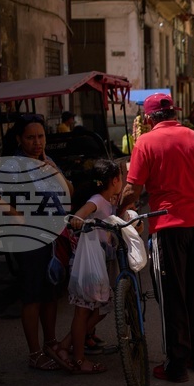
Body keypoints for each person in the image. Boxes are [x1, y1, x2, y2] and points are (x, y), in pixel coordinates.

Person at [118, 93, 194, 383]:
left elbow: (134, 190)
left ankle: (177, 365)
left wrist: (118, 211)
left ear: (150, 118)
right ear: (174, 113)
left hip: (167, 227)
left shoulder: (146, 142)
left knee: (172, 295)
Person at [0, 114, 73, 373]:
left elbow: (69, 192)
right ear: (19, 139)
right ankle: (35, 353)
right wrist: (14, 214)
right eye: (31, 137)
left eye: (40, 136)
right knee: (32, 295)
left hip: (52, 234)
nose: (37, 142)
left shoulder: (47, 161)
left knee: (50, 291)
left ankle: (51, 343)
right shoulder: (12, 165)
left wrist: (54, 172)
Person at [49, 159, 122, 374]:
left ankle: (64, 346)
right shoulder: (98, 199)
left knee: (103, 306)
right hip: (90, 263)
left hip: (99, 261)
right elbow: (78, 215)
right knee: (84, 312)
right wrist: (79, 220)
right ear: (115, 180)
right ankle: (79, 360)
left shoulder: (109, 199)